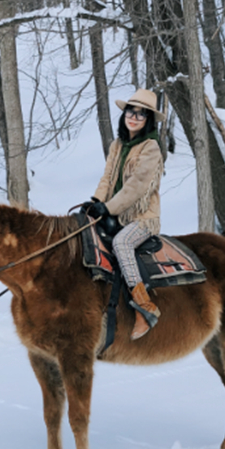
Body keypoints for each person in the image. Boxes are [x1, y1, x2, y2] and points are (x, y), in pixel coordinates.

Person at [86, 88, 165, 340]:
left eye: (141, 115)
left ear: (148, 120)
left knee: (121, 243)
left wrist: (108, 208)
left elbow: (137, 186)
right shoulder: (118, 145)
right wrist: (96, 201)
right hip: (115, 214)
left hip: (142, 218)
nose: (134, 117)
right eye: (131, 111)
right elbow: (108, 177)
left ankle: (146, 306)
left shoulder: (151, 148)